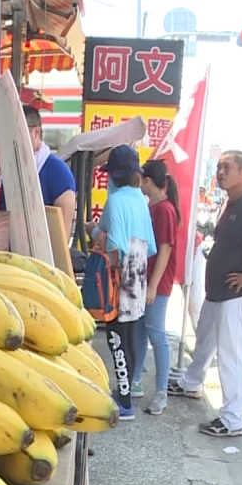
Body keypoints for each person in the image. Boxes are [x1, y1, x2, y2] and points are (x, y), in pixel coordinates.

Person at [168, 151, 242, 438]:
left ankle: (232, 419)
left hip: (236, 295)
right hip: (218, 292)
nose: (220, 172)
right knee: (205, 341)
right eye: (219, 167)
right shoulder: (230, 203)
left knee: (233, 355)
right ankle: (192, 383)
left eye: (227, 167)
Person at [95, 145, 156, 421]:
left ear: (115, 176)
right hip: (139, 275)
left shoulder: (116, 201)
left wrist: (93, 230)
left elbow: (114, 243)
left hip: (119, 278)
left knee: (115, 337)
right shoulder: (141, 201)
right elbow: (151, 246)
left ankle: (124, 402)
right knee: (129, 337)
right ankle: (126, 392)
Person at [130, 159, 180, 416]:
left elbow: (165, 249)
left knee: (156, 335)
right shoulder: (155, 207)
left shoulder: (164, 210)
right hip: (146, 281)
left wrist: (153, 286)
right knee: (140, 330)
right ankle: (135, 381)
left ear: (147, 181)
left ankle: (161, 392)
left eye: (141, 179)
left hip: (155, 283)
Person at [0, 105, 77, 226]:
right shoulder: (5, 169)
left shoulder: (57, 171)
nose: (11, 139)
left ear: (36, 132)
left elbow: (61, 235)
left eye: (17, 133)